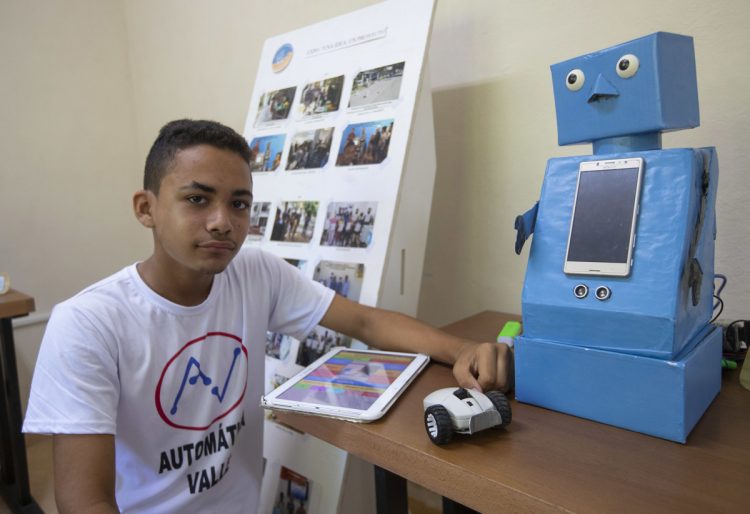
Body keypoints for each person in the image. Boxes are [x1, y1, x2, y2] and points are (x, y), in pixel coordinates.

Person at [22, 119, 512, 514]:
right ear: (145, 208)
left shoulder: (252, 271)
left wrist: (461, 349)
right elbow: (83, 500)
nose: (222, 221)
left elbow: (363, 322)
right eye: (197, 199)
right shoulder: (86, 324)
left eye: (239, 204)